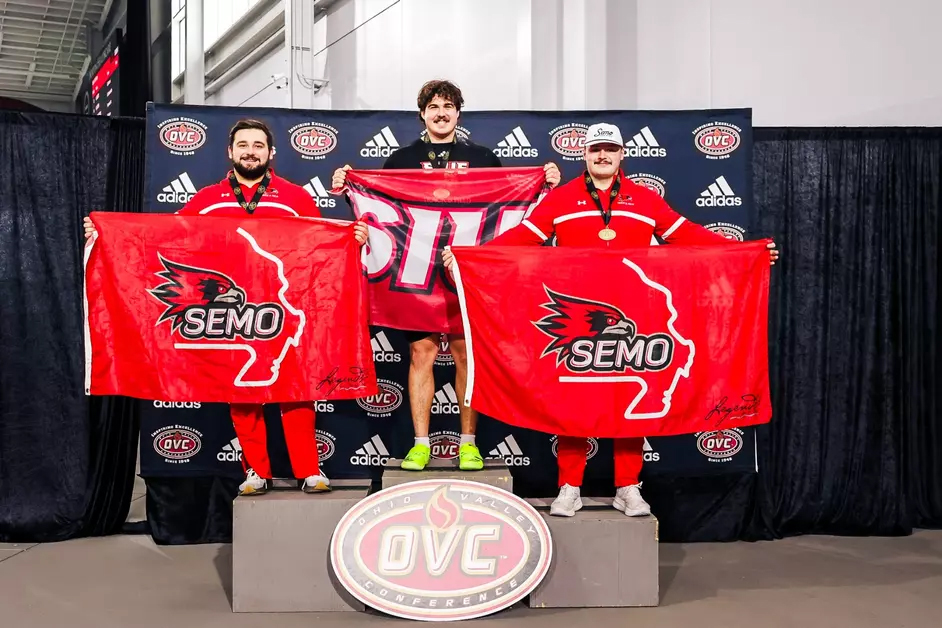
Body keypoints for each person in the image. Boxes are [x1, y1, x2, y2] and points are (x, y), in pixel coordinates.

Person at [443, 121, 779, 517]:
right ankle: (569, 486)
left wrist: (744, 252)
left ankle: (628, 487)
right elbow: (521, 240)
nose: (603, 156)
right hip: (585, 323)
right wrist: (470, 258)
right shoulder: (562, 199)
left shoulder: (645, 199)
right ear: (584, 155)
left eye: (611, 149)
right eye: (595, 149)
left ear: (622, 155)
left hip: (635, 319)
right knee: (572, 403)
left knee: (631, 398)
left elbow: (686, 234)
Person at [85, 118, 368, 496]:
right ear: (230, 152)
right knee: (241, 393)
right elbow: (166, 242)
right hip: (229, 316)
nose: (251, 151)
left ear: (271, 153)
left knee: (297, 389)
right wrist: (104, 236)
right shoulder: (206, 200)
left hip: (281, 308)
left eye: (258, 145)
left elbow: (319, 250)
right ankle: (256, 472)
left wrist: (353, 237)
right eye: (244, 145)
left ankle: (309, 470)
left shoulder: (296, 198)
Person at [332, 79, 561, 472]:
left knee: (465, 355)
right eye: (434, 106)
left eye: (448, 105)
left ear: (458, 112)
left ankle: (468, 444)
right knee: (420, 353)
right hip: (414, 272)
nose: (441, 112)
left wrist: (546, 184)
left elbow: (508, 212)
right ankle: (420, 444)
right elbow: (378, 212)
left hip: (465, 271)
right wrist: (347, 185)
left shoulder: (484, 158)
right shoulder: (400, 159)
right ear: (422, 113)